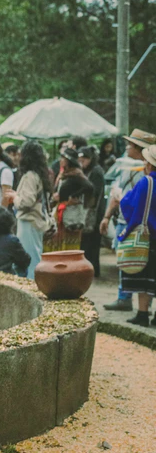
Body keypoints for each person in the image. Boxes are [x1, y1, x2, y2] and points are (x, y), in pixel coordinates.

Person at [100, 129, 155, 311]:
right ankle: (126, 298)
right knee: (129, 262)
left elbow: (128, 200)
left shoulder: (145, 175)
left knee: (140, 266)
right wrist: (107, 216)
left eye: (130, 145)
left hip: (135, 224)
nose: (126, 148)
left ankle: (132, 303)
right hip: (131, 221)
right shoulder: (126, 167)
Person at [117, 143, 156, 327]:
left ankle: (142, 314)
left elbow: (130, 205)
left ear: (149, 164)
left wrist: (120, 199)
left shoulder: (146, 182)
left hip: (148, 237)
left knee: (144, 277)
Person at [13, 141, 53, 279]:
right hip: (37, 221)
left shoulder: (30, 175)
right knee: (35, 255)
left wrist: (14, 197)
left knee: (30, 259)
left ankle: (33, 288)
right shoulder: (39, 174)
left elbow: (26, 201)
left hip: (29, 220)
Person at [44, 148, 94, 252]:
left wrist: (74, 197)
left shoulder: (76, 174)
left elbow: (89, 187)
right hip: (61, 213)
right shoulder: (64, 174)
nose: (60, 160)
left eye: (63, 158)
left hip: (70, 214)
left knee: (69, 245)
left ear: (68, 160)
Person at [78, 146, 106, 277]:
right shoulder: (88, 171)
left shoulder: (96, 172)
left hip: (95, 213)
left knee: (92, 244)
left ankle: (93, 271)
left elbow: (95, 194)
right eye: (80, 158)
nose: (81, 161)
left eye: (84, 158)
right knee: (88, 244)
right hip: (91, 212)